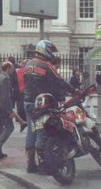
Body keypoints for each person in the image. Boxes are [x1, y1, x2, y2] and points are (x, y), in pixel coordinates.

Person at [23, 40, 75, 173]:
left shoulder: (28, 64)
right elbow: (60, 82)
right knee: (42, 131)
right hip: (42, 104)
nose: (51, 53)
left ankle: (30, 163)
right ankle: (43, 164)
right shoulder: (46, 66)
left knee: (31, 131)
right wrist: (75, 91)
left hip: (28, 103)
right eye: (50, 50)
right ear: (44, 50)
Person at [0, 61, 25, 159]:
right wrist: (9, 110)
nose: (13, 70)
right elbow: (6, 96)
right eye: (12, 68)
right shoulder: (5, 78)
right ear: (8, 68)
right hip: (2, 108)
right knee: (10, 127)